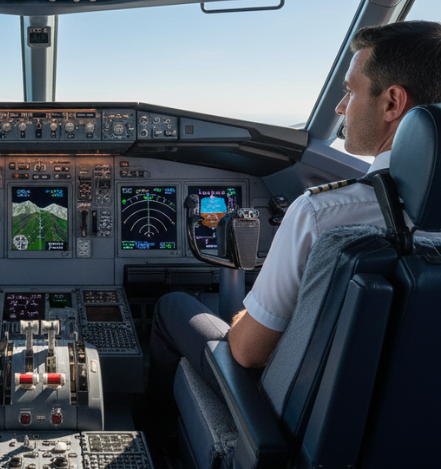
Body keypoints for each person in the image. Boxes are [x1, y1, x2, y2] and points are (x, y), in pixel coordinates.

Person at [149, 20, 441, 401]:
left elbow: (247, 352)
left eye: (350, 91)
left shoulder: (320, 213)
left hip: (291, 416)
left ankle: (160, 429)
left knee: (171, 306)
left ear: (392, 103)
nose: (340, 107)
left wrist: (245, 316)